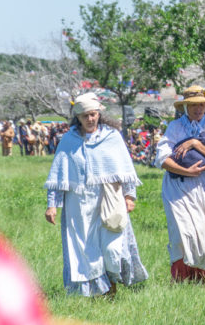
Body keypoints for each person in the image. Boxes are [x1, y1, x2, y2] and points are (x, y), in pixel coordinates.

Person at [44, 92, 148, 296]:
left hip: (109, 198)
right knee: (85, 249)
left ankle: (113, 284)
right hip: (79, 202)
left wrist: (129, 196)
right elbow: (58, 174)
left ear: (99, 113)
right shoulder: (69, 140)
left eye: (93, 114)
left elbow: (125, 169)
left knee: (112, 247)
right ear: (78, 118)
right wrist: (52, 205)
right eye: (85, 116)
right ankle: (96, 292)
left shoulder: (112, 137)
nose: (90, 119)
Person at [154, 85, 205, 283]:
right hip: (179, 185)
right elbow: (162, 158)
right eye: (193, 105)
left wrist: (195, 143)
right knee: (184, 230)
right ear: (185, 107)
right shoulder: (175, 127)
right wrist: (186, 171)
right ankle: (184, 277)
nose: (198, 109)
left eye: (201, 104)